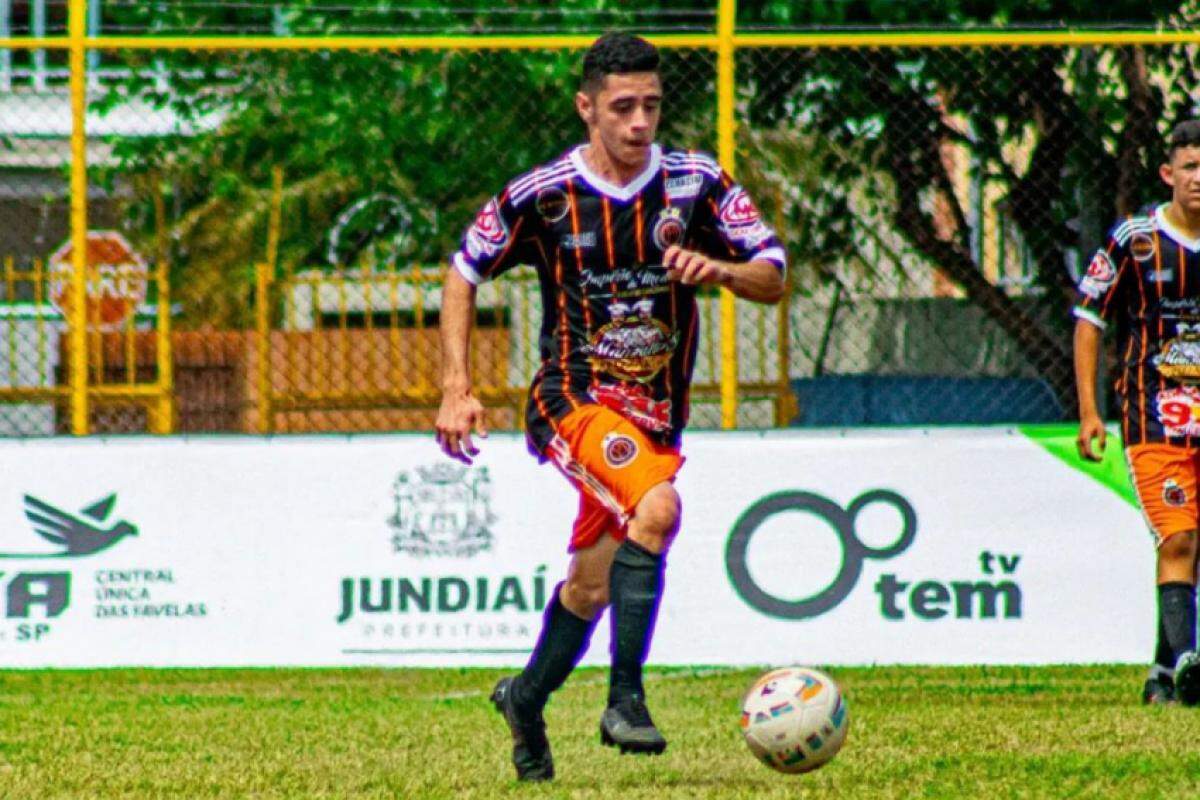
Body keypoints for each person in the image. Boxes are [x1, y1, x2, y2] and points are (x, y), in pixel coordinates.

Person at [434, 33, 786, 781]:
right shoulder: (544, 194)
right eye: (622, 107)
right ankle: (625, 698)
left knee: (591, 588)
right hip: (572, 400)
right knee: (658, 511)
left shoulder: (697, 184)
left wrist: (718, 269)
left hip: (654, 417)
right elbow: (464, 271)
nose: (639, 123)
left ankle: (524, 701)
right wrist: (456, 389)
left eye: (651, 106)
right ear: (586, 107)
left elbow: (773, 273)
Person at [1075, 119, 1200, 706]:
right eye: (1191, 168)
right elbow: (1089, 318)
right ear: (1168, 174)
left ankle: (1164, 674)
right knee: (1178, 539)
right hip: (1153, 418)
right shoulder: (1135, 239)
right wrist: (1089, 412)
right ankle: (1190, 668)